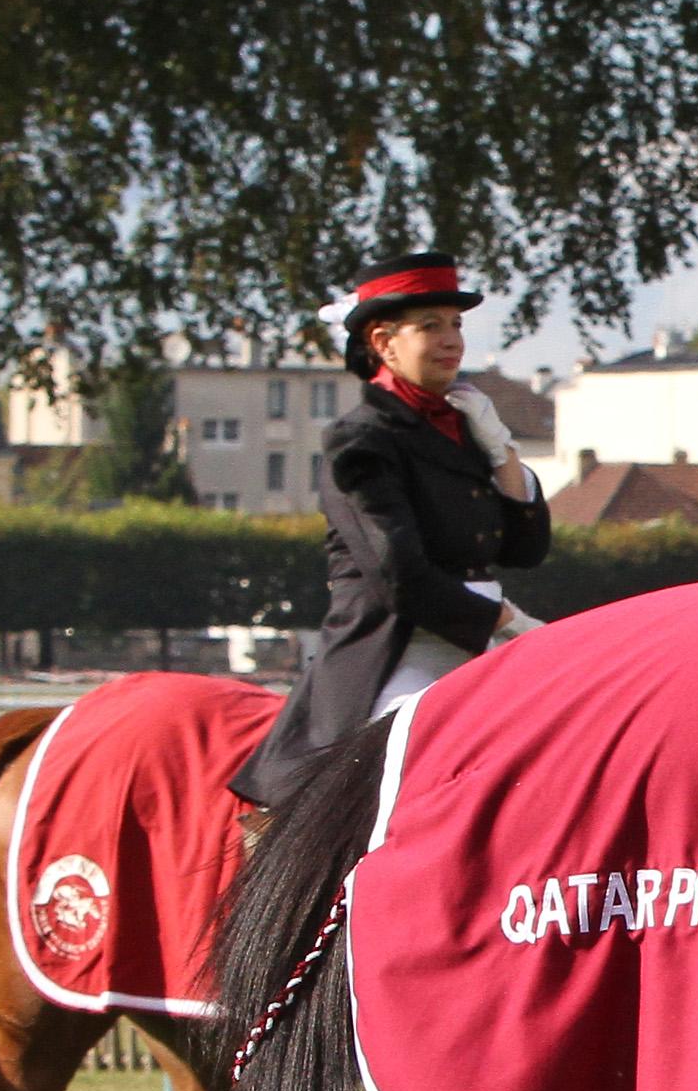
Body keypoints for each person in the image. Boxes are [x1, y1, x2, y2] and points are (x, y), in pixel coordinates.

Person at [233, 253, 549, 807]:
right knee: (389, 788)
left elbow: (526, 549)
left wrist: (504, 454)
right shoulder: (362, 438)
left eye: (456, 325)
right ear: (383, 342)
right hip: (401, 649)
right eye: (430, 327)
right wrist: (503, 620)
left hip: (479, 641)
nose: (451, 340)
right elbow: (400, 576)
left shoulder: (465, 428)